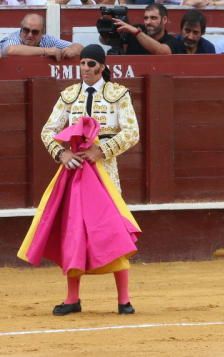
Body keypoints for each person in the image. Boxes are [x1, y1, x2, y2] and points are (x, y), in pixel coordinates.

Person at [18, 45, 141, 316]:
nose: (85, 68)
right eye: (82, 63)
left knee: (112, 232)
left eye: (90, 64)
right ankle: (72, 298)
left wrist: (102, 150)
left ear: (101, 67)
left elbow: (132, 133)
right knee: (74, 233)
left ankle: (124, 299)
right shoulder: (69, 96)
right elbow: (48, 131)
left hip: (105, 173)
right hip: (74, 173)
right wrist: (61, 153)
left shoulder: (118, 94)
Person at [0, 14, 83, 60]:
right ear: (21, 28)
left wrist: (73, 50)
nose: (30, 35)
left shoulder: (47, 39)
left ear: (42, 33)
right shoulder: (13, 37)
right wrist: (46, 51)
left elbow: (81, 47)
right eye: (26, 30)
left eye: (35, 32)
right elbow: (11, 50)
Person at [110, 4, 179, 55]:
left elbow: (163, 52)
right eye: (146, 18)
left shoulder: (174, 42)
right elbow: (106, 41)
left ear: (164, 20)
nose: (148, 22)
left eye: (153, 18)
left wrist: (137, 33)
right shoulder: (134, 33)